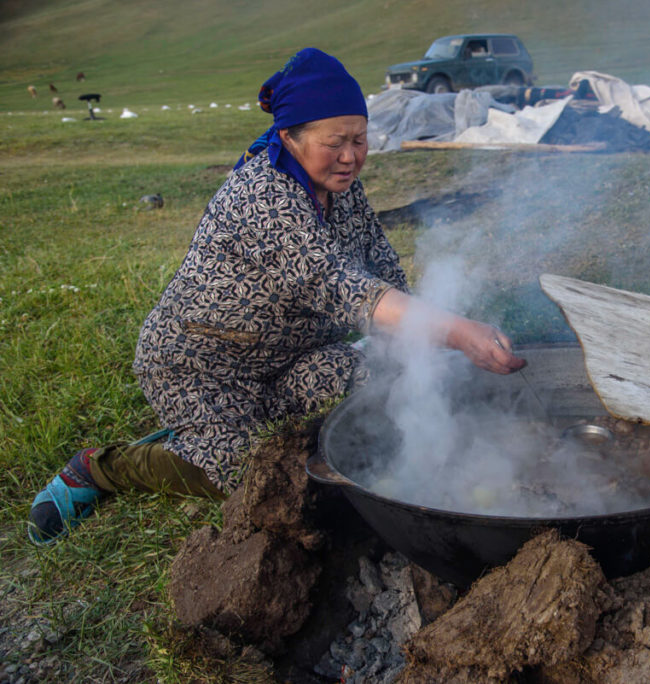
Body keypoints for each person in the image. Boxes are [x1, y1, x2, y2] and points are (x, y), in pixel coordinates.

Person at [28, 48, 525, 545]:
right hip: (203, 367)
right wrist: (459, 332)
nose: (351, 156)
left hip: (290, 359)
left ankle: (218, 428)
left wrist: (433, 350)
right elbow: (342, 287)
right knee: (253, 478)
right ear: (289, 136)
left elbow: (383, 272)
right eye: (335, 143)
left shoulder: (343, 187)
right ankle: (103, 469)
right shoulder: (262, 198)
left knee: (385, 378)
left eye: (360, 139)